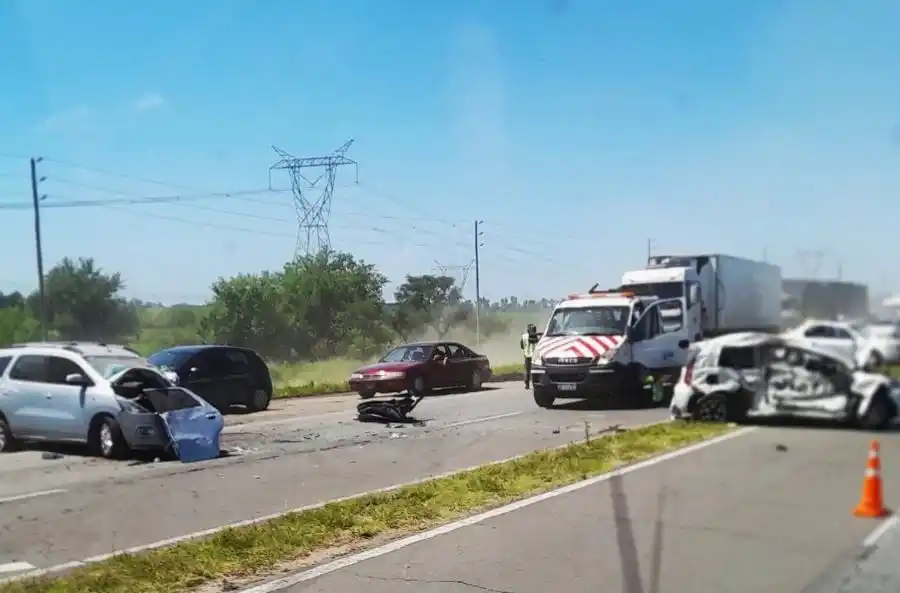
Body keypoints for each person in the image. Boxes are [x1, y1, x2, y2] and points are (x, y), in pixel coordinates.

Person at [521, 324, 538, 389]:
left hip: (527, 355)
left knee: (527, 370)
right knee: (535, 370)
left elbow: (522, 346)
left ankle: (527, 384)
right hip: (534, 356)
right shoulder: (536, 337)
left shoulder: (524, 336)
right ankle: (535, 384)